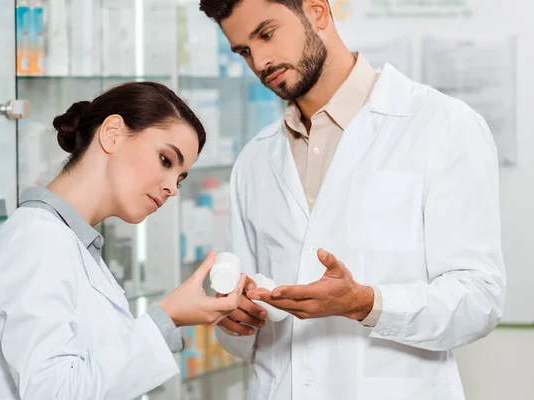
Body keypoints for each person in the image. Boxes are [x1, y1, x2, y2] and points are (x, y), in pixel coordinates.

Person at [199, 1, 506, 399]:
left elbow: (480, 300)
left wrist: (365, 303)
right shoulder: (254, 160)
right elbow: (245, 318)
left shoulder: (443, 126)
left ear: (318, 11)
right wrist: (236, 320)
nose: (260, 61)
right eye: (243, 50)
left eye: (267, 34)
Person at [0, 82, 246, 399]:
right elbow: (53, 392)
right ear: (112, 133)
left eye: (180, 178)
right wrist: (167, 318)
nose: (172, 188)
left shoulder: (73, 244)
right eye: (166, 161)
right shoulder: (36, 241)